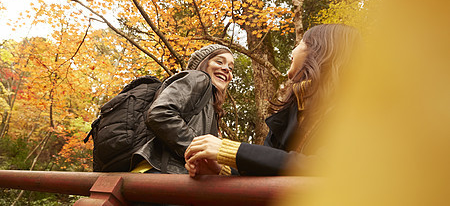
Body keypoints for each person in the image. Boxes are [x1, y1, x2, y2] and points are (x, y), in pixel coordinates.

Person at [184, 24, 361, 176]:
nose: (292, 51)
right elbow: (270, 167)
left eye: (300, 43)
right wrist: (221, 169)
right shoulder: (289, 113)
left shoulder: (360, 110)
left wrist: (229, 150)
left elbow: (324, 166)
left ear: (321, 50)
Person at [130, 44, 234, 175]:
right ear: (203, 63)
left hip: (171, 175)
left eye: (231, 68)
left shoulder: (210, 105)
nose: (226, 69)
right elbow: (160, 113)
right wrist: (198, 150)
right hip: (160, 173)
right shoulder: (199, 78)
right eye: (219, 61)